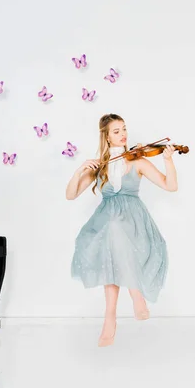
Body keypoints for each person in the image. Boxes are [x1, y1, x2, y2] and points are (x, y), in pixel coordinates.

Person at [65, 113, 178, 347]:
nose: (123, 134)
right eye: (116, 131)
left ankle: (120, 308)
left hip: (133, 222)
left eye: (124, 129)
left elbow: (170, 186)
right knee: (110, 247)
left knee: (114, 231)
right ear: (106, 138)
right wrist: (78, 171)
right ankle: (115, 313)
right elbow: (71, 195)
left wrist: (168, 160)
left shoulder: (138, 161)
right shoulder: (101, 167)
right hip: (108, 222)